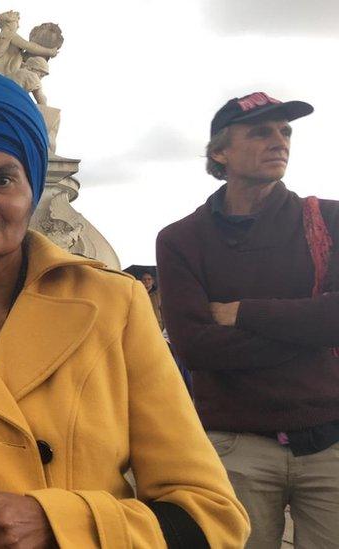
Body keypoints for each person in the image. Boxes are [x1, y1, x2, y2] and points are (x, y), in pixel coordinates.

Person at [0, 70, 249, 547]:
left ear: (31, 189)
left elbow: (211, 515)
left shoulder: (114, 304)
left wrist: (60, 523)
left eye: (1, 179)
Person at [157, 91, 339, 548]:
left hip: (330, 444)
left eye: (285, 131)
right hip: (235, 446)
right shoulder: (181, 239)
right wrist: (309, 326)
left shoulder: (328, 220)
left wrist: (246, 313)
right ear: (220, 152)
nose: (279, 141)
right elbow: (196, 348)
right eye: (261, 132)